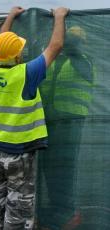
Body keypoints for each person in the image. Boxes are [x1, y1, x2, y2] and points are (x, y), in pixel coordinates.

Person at [0, 6, 69, 230]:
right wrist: (59, 16)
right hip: (18, 155)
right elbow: (55, 47)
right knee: (18, 205)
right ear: (17, 55)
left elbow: (0, 42)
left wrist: (9, 16)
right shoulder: (26, 74)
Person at [39, 26, 94, 230]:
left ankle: (67, 212)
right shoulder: (52, 61)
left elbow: (83, 69)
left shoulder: (83, 62)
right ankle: (56, 209)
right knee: (48, 168)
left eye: (75, 39)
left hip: (70, 125)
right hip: (47, 123)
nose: (72, 42)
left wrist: (68, 45)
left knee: (64, 169)